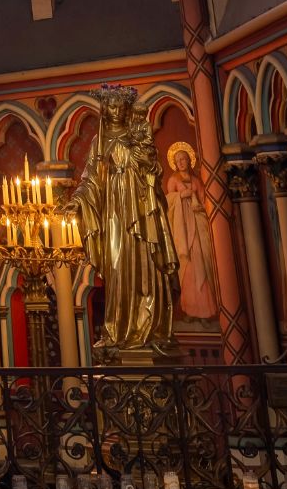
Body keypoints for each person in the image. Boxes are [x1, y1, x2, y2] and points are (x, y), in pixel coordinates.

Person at [70, 87, 178, 353]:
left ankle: (151, 329)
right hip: (114, 216)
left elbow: (155, 170)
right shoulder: (100, 141)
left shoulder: (138, 136)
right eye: (111, 107)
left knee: (146, 267)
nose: (115, 111)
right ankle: (118, 331)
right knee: (117, 270)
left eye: (120, 107)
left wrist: (147, 164)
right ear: (104, 110)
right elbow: (91, 179)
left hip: (141, 213)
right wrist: (78, 199)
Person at [164, 140, 218, 320]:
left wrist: (197, 203)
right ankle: (189, 309)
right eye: (178, 159)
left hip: (197, 222)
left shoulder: (195, 180)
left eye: (183, 159)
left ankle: (206, 310)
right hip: (182, 228)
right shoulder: (173, 180)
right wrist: (180, 196)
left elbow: (204, 201)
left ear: (189, 161)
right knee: (187, 266)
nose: (181, 162)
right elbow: (167, 202)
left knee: (201, 262)